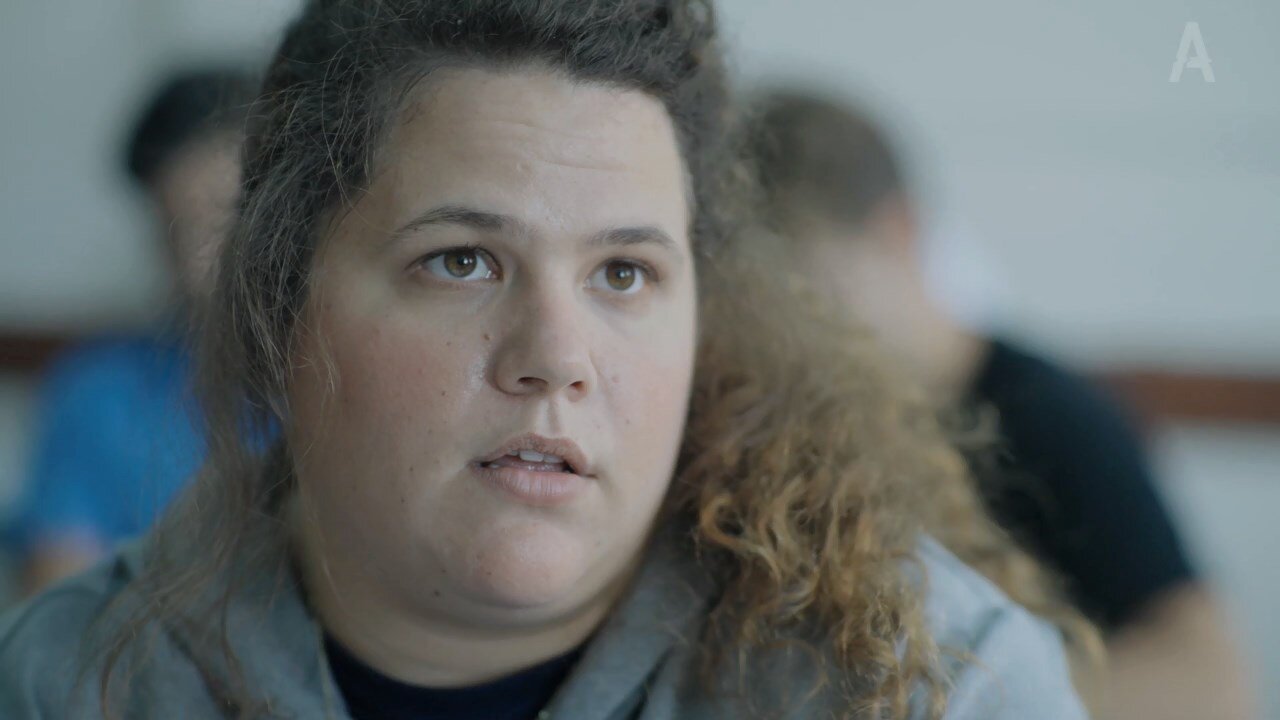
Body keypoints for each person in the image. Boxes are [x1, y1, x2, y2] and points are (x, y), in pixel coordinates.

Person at [0, 3, 1098, 718]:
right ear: (283, 302)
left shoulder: (932, 686)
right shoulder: (75, 679)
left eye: (624, 273)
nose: (557, 359)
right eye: (463, 261)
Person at [749, 89, 1255, 720]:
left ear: (897, 233)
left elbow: (1211, 681)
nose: (793, 341)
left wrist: (983, 698)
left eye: (814, 297)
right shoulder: (785, 428)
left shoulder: (1051, 414)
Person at [3, 69, 253, 595]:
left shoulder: (349, 379)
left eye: (227, 219)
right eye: (181, 231)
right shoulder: (99, 393)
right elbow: (60, 609)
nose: (205, 264)